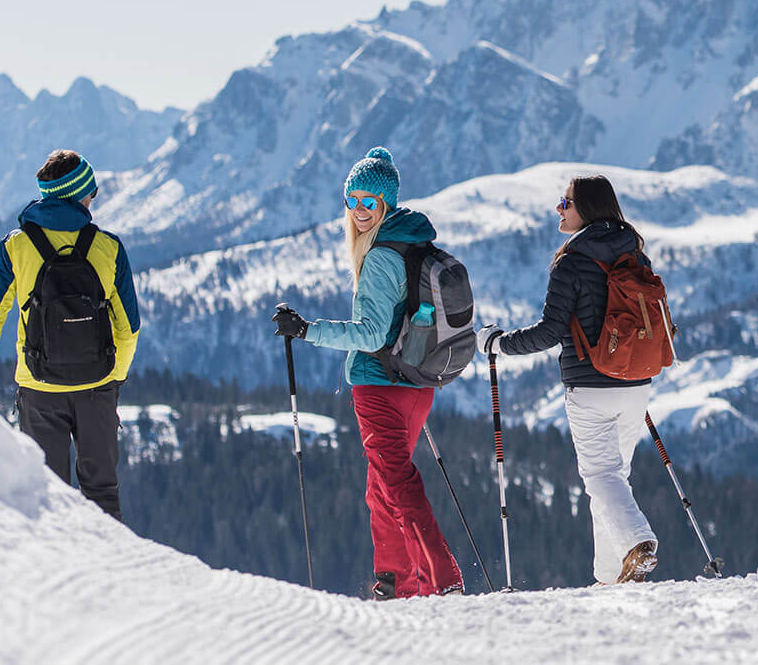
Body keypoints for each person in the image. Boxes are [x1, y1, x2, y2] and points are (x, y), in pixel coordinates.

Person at [275, 146, 464, 599]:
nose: (359, 210)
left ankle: (441, 580)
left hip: (381, 385)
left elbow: (372, 332)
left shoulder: (381, 256)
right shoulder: (412, 242)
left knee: (396, 482)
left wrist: (308, 330)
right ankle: (396, 582)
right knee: (381, 487)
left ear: (386, 202)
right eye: (352, 200)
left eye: (369, 201)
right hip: (414, 383)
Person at [476, 174, 659, 585]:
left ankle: (638, 543)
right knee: (612, 478)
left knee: (600, 476)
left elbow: (549, 332)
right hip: (636, 384)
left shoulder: (572, 261)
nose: (558, 208)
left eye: (566, 202)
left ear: (587, 208)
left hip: (590, 385)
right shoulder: (635, 254)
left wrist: (498, 343)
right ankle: (610, 576)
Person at [0, 149, 141, 520]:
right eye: (91, 192)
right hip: (97, 387)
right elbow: (129, 329)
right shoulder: (109, 247)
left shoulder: (15, 246)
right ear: (78, 195)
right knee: (102, 492)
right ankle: (110, 558)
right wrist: (114, 378)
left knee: (48, 495)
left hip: (39, 387)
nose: (94, 198)